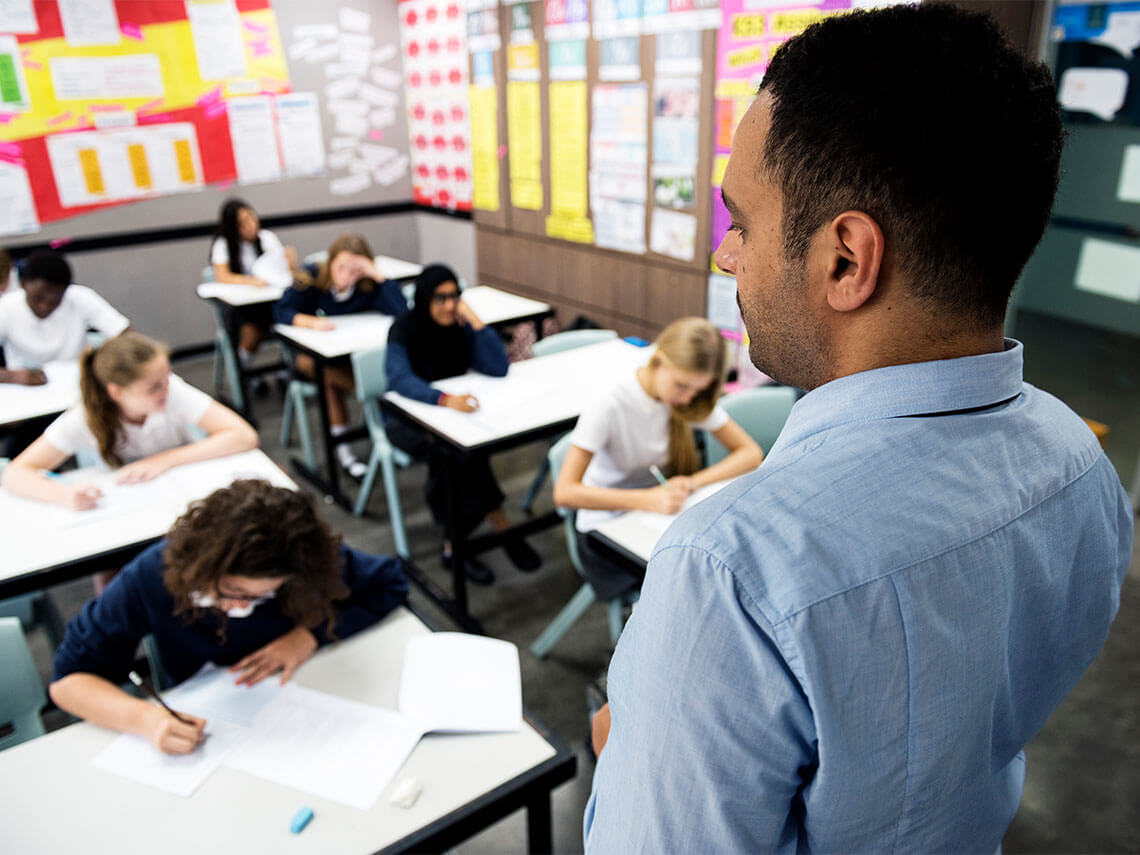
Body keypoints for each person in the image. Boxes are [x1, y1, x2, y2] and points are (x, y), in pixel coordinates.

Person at [584, 5, 1133, 853]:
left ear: (846, 259)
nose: (727, 256)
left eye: (744, 223)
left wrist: (628, 759)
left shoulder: (730, 572)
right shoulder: (1079, 463)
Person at [49, 479, 409, 755]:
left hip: (302, 701)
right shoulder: (150, 575)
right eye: (231, 593)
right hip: (212, 724)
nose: (242, 608)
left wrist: (308, 635)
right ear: (202, 569)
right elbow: (69, 681)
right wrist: (145, 719)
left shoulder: (296, 559)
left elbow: (389, 583)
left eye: (262, 595)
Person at [553, 316, 763, 599]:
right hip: (606, 530)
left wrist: (690, 482)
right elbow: (565, 493)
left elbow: (750, 454)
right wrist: (645, 499)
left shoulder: (685, 396)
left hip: (661, 513)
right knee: (691, 585)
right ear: (658, 361)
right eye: (681, 386)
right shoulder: (611, 403)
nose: (688, 398)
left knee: (714, 570)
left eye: (697, 391)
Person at [385, 263, 541, 585]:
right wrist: (443, 399)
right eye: (440, 298)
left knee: (466, 449)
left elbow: (498, 368)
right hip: (410, 418)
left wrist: (476, 322)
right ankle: (469, 537)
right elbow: (399, 378)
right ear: (424, 298)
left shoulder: (459, 325)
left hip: (452, 414)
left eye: (455, 296)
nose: (448, 305)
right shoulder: (404, 328)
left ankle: (473, 533)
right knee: (453, 455)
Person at [1, 331, 258, 511]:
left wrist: (163, 460)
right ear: (116, 392)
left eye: (167, 377)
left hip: (180, 493)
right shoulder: (85, 417)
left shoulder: (170, 392)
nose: (165, 390)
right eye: (154, 387)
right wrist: (63, 495)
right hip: (126, 503)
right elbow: (15, 473)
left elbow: (244, 435)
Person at [274, 233, 408, 479]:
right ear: (331, 260)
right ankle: (347, 450)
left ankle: (379, 409)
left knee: (382, 363)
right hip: (310, 354)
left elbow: (402, 312)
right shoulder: (311, 276)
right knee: (329, 380)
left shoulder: (367, 285)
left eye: (356, 270)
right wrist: (311, 322)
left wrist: (376, 275)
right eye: (341, 266)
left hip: (348, 352)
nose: (346, 275)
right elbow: (281, 310)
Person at [0, 248, 128, 386]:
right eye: (38, 298)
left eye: (54, 301)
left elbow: (128, 336)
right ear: (24, 284)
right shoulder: (6, 307)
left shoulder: (81, 297)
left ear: (66, 290)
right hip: (22, 392)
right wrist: (14, 377)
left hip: (78, 384)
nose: (44, 307)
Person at [209, 198, 298, 376]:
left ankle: (288, 368)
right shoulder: (224, 244)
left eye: (251, 217)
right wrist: (251, 281)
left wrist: (291, 262)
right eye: (242, 223)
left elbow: (285, 273)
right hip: (243, 307)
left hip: (271, 300)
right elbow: (222, 276)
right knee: (252, 333)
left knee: (292, 320)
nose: (250, 225)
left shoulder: (267, 238)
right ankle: (242, 372)